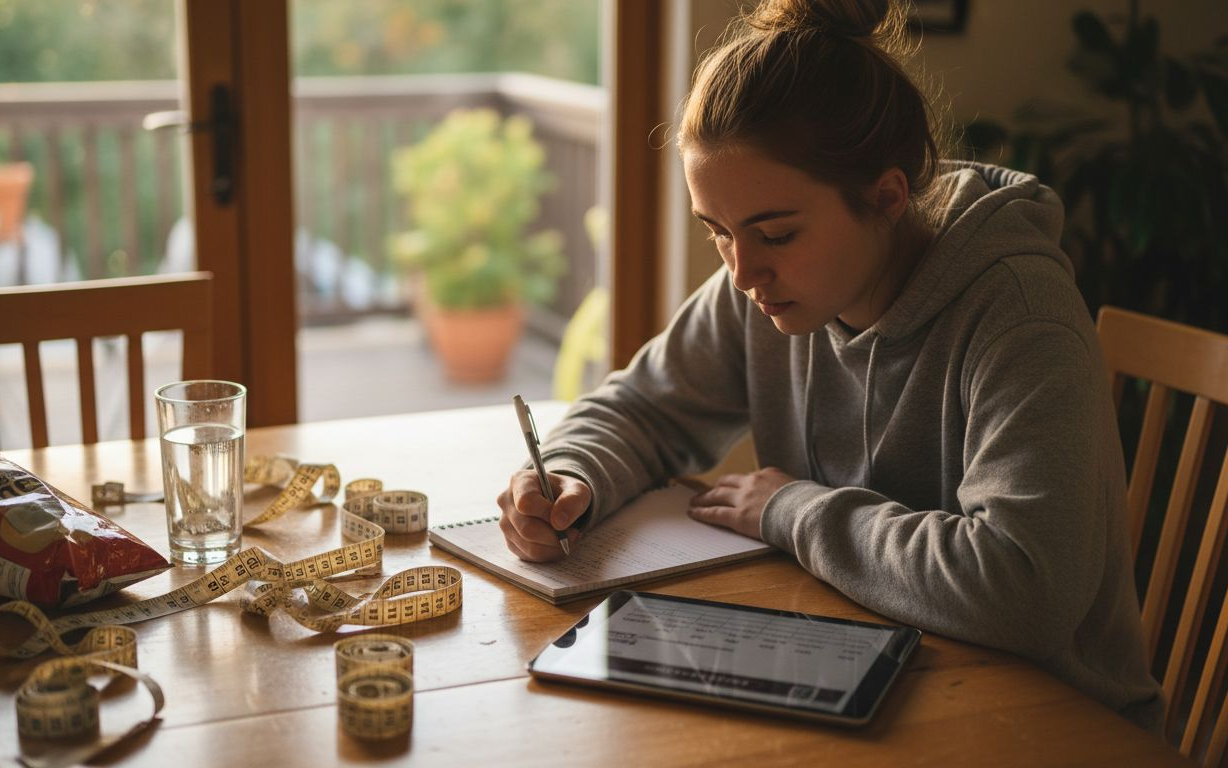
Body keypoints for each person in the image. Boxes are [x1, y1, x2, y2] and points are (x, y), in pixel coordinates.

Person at [495, 0, 1162, 730]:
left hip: (1054, 722)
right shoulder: (767, 288)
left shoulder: (1019, 315)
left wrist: (791, 509)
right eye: (718, 232)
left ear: (887, 197)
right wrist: (572, 475)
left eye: (776, 234)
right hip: (865, 669)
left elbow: (1023, 589)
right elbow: (644, 407)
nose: (743, 273)